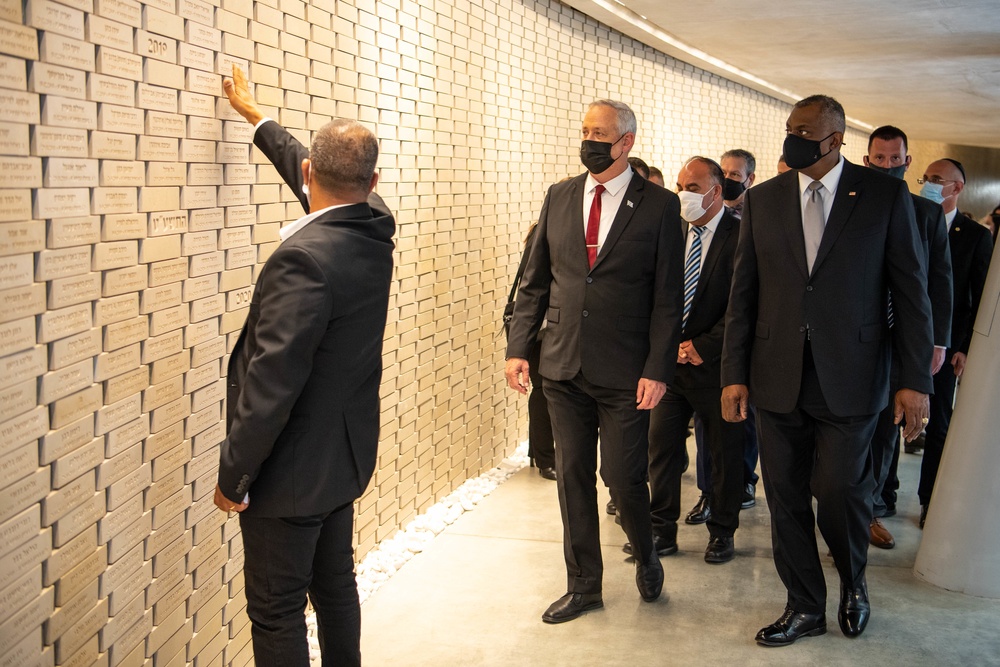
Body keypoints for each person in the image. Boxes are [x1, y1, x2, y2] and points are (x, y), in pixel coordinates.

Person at [721, 95, 932, 646]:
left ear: (835, 139)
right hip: (776, 373)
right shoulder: (764, 200)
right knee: (785, 495)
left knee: (840, 490)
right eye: (790, 127)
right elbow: (743, 295)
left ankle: (854, 582)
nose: (793, 136)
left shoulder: (884, 196)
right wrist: (732, 374)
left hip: (854, 374)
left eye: (805, 130)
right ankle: (804, 605)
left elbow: (911, 293)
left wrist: (914, 381)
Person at [214, 65, 395, 666]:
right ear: (373, 181)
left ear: (311, 176)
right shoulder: (374, 227)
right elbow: (322, 174)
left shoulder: (304, 261)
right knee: (335, 587)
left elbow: (271, 384)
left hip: (288, 474)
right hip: (341, 459)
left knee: (276, 611)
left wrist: (235, 477)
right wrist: (256, 116)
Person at [505, 99, 684, 623]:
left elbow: (668, 299)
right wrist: (519, 348)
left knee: (624, 477)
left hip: (627, 371)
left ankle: (647, 554)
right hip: (561, 365)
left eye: (600, 133)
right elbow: (534, 281)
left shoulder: (659, 205)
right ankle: (584, 585)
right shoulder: (559, 196)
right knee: (572, 476)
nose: (589, 140)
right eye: (585, 130)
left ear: (626, 142)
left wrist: (658, 369)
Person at [626, 156, 744, 564]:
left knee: (725, 455)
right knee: (661, 448)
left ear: (716, 191)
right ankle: (662, 530)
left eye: (692, 188)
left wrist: (703, 345)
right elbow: (654, 293)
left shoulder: (741, 236)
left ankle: (722, 532)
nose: (683, 195)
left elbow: (745, 307)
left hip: (717, 370)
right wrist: (669, 344)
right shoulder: (671, 229)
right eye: (679, 186)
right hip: (669, 367)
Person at [862, 126, 953, 549]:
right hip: (857, 337)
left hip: (903, 340)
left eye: (894, 159)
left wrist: (936, 342)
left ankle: (869, 512)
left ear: (906, 162)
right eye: (878, 159)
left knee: (886, 430)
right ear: (866, 161)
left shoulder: (926, 214)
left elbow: (938, 281)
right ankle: (850, 508)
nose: (886, 166)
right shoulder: (851, 207)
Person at [914, 158, 993, 527]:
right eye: (925, 179)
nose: (928, 185)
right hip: (905, 339)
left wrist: (963, 347)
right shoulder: (908, 221)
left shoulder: (975, 236)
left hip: (946, 347)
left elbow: (978, 297)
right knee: (887, 420)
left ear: (957, 188)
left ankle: (930, 499)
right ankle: (882, 496)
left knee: (938, 422)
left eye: (936, 180)